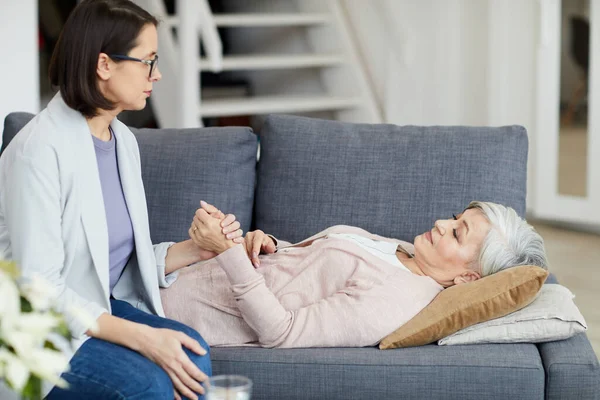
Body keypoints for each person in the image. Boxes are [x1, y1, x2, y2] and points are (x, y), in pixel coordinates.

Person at [0, 1, 244, 399]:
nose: (157, 74)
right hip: (35, 331)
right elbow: (38, 288)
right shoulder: (39, 150)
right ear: (104, 65)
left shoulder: (122, 141)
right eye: (148, 61)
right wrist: (142, 338)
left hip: (97, 309)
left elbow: (109, 260)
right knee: (146, 382)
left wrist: (198, 248)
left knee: (191, 355)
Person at [160, 201, 549, 349]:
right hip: (172, 269)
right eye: (454, 217)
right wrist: (269, 245)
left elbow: (281, 332)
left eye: (457, 232)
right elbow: (308, 272)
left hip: (167, 310)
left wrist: (230, 255)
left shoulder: (398, 298)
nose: (440, 223)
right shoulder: (406, 252)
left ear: (467, 279)